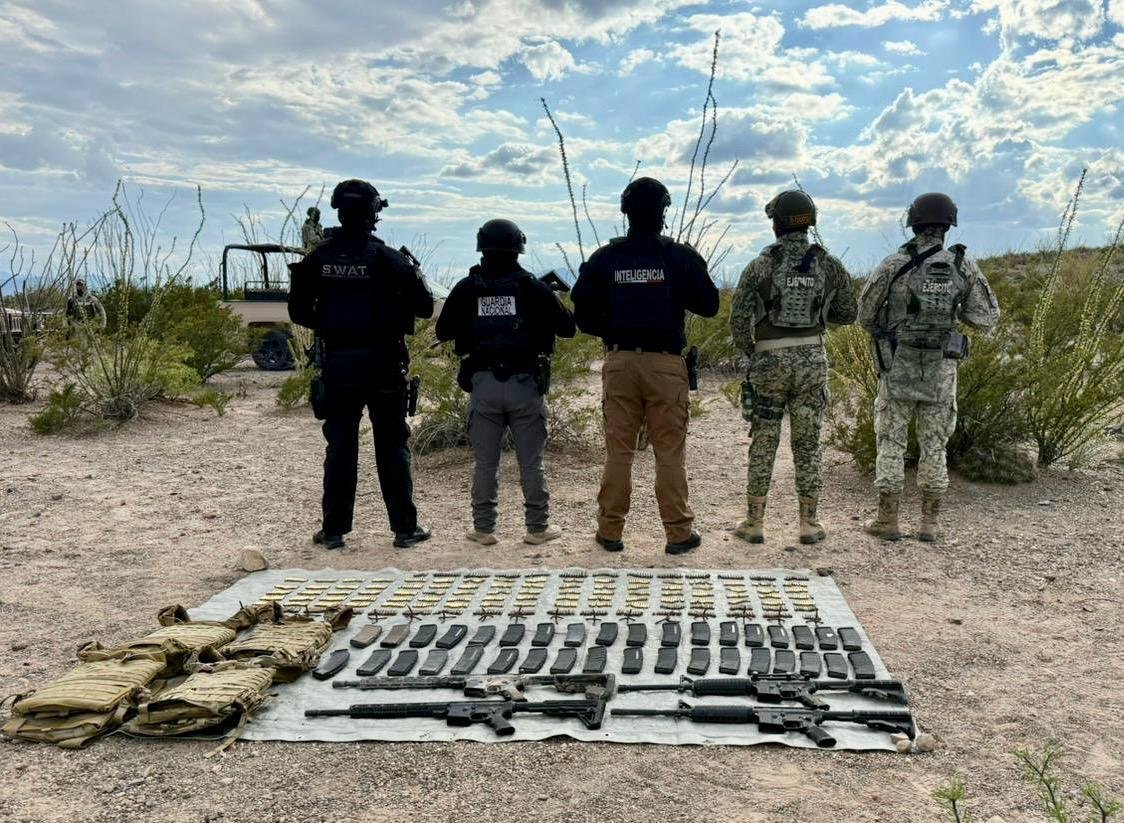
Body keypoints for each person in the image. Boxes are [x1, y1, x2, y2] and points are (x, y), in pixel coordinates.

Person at [571, 177, 719, 556]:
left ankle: (609, 531)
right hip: (665, 364)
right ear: (663, 212)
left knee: (619, 451)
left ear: (626, 212)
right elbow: (710, 305)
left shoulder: (606, 258)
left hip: (619, 362)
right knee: (669, 452)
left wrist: (614, 325)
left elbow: (581, 314)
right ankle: (678, 534)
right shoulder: (677, 256)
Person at [287, 179, 434, 550]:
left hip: (338, 365)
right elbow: (424, 306)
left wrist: (331, 322)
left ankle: (333, 531)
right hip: (385, 364)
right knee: (392, 444)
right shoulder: (389, 258)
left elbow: (298, 311)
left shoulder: (318, 258)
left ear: (339, 212)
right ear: (373, 214)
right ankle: (405, 529)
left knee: (340, 447)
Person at [858, 192, 1000, 542]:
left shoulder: (893, 264)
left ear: (914, 223)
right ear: (948, 226)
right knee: (935, 445)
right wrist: (952, 311)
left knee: (890, 441)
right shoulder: (962, 266)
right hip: (941, 371)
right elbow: (986, 317)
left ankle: (888, 520)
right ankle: (929, 523)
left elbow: (865, 316)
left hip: (897, 364)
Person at [435, 219, 576, 546]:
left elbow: (443, 331)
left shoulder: (467, 288)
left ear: (482, 248)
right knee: (531, 463)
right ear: (518, 249)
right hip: (525, 384)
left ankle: (484, 529)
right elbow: (568, 328)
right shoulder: (534, 288)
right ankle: (537, 529)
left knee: (486, 463)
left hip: (483, 384)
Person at [729, 190, 857, 545]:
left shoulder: (760, 265)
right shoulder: (829, 264)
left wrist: (754, 352)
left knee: (764, 440)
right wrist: (819, 317)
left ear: (777, 224)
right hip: (812, 361)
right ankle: (809, 523)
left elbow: (738, 320)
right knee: (808, 443)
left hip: (769, 361)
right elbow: (849, 312)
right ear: (810, 221)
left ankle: (754, 523)